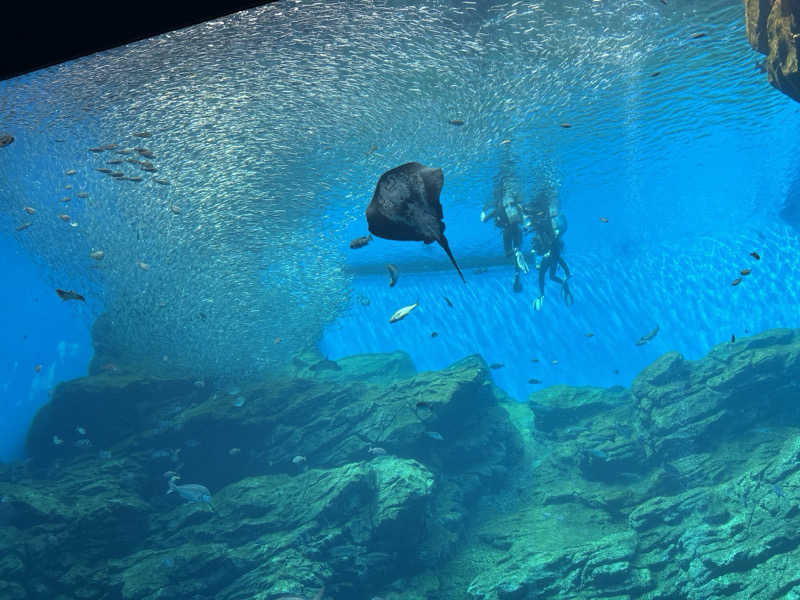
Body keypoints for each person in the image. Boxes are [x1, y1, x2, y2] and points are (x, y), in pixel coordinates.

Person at [480, 165, 531, 292]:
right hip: (517, 229)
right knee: (517, 249)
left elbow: (484, 219)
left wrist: (483, 215)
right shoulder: (515, 204)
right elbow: (525, 215)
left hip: (506, 231)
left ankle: (516, 256)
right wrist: (526, 226)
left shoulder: (498, 208)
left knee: (509, 253)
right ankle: (517, 273)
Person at [531, 195, 573, 311]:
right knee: (550, 276)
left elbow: (558, 258)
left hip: (549, 258)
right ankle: (563, 287)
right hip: (551, 258)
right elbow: (560, 259)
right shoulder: (552, 241)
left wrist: (567, 272)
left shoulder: (549, 239)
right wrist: (567, 272)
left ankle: (542, 294)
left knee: (544, 277)